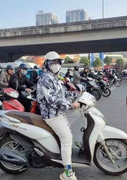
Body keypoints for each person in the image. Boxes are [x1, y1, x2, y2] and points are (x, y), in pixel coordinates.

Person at [37, 51, 80, 180]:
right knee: (67, 139)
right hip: (51, 114)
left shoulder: (55, 77)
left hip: (58, 113)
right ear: (47, 64)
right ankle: (67, 174)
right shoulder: (45, 78)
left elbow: (62, 94)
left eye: (58, 62)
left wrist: (77, 94)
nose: (56, 65)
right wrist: (71, 106)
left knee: (67, 137)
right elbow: (51, 99)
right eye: (53, 62)